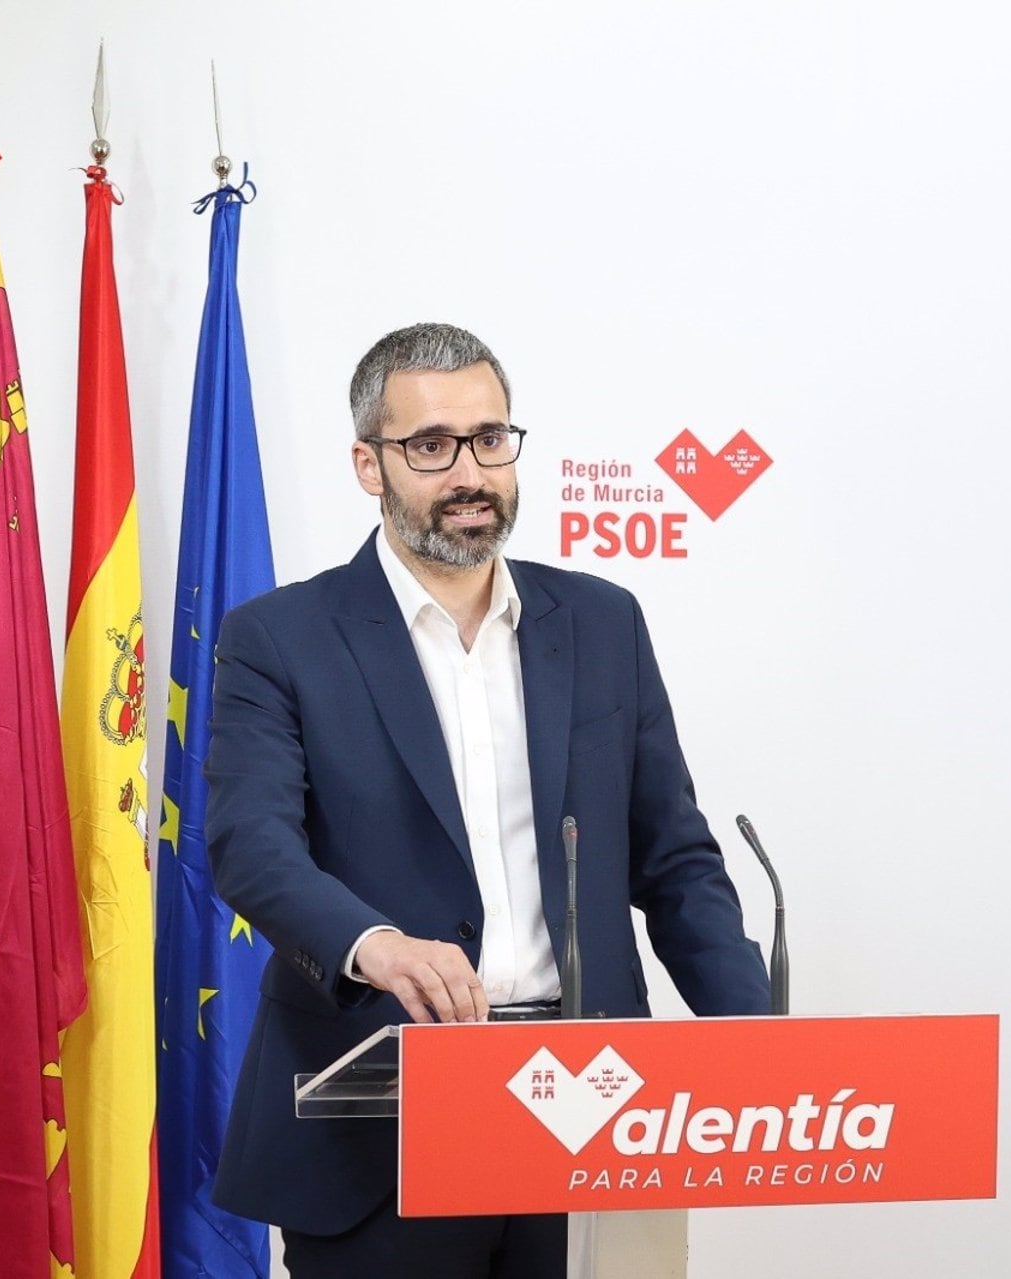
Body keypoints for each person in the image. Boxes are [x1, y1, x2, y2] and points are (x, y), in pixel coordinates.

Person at [205, 322, 770, 1277]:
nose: (469, 471)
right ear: (368, 463)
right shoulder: (278, 636)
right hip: (377, 1130)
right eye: (430, 446)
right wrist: (374, 944)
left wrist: (761, 1047)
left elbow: (673, 857)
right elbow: (251, 844)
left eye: (490, 439)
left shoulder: (600, 621)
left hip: (591, 1116)